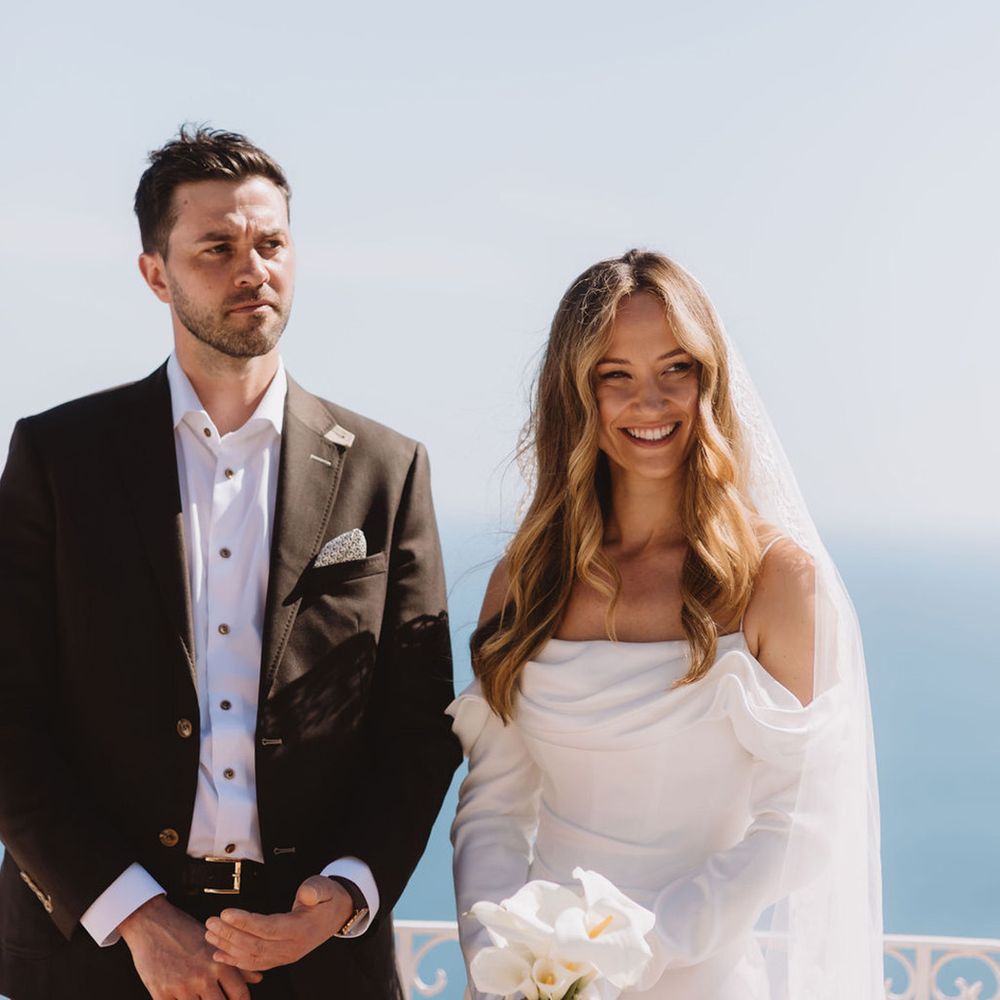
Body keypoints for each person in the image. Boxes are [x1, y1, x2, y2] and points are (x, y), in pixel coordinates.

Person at [0, 126, 461, 1000]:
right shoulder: (59, 458)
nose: (253, 269)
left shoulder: (385, 470)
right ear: (155, 273)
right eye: (218, 247)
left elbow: (418, 725)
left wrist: (340, 898)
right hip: (94, 959)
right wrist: (137, 917)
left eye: (272, 243)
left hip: (319, 959)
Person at [449, 250, 883, 998]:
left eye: (675, 368)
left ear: (710, 380)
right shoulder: (525, 581)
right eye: (615, 374)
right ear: (576, 393)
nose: (649, 402)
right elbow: (493, 808)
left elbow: (802, 823)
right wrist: (506, 965)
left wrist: (628, 955)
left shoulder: (777, 581)